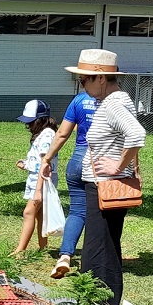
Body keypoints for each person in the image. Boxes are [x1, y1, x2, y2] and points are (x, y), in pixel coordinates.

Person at [64, 49, 145, 305]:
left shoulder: (113, 103)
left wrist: (117, 165)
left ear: (100, 78)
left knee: (96, 251)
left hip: (104, 187)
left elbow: (136, 134)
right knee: (105, 247)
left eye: (84, 79)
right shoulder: (115, 101)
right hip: (105, 186)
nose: (82, 85)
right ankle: (105, 304)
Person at [41, 89, 99, 278]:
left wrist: (46, 160)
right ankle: (95, 261)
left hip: (77, 161)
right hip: (100, 164)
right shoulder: (113, 100)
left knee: (77, 211)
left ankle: (65, 256)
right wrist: (136, 169)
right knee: (101, 215)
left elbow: (62, 134)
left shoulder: (79, 100)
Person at [12, 100, 61, 256]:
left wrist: (38, 190)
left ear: (40, 119)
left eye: (31, 122)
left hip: (41, 181)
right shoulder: (44, 133)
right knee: (39, 215)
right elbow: (39, 160)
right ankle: (43, 249)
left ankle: (20, 250)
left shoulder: (47, 134)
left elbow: (45, 163)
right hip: (37, 179)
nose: (28, 126)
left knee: (28, 213)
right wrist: (26, 164)